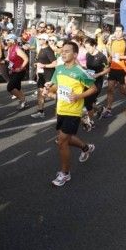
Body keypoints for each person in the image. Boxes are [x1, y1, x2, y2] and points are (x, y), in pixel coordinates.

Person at [42, 41, 97, 187]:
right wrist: (48, 89)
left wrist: (79, 96)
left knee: (62, 141)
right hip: (60, 108)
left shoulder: (80, 71)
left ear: (75, 54)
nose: (63, 53)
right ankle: (86, 147)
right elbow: (55, 87)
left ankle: (65, 173)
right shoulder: (59, 69)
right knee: (67, 138)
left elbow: (93, 88)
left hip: (73, 111)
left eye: (67, 51)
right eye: (62, 51)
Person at [102, 24, 126, 118]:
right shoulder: (112, 41)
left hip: (122, 70)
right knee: (110, 89)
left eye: (119, 31)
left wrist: (121, 57)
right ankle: (108, 109)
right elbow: (110, 54)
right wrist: (108, 61)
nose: (117, 33)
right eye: (116, 31)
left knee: (123, 90)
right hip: (113, 69)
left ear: (123, 32)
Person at [82, 37, 109, 130]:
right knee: (87, 101)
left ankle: (91, 122)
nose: (87, 49)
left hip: (97, 82)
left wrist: (98, 74)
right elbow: (88, 67)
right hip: (88, 81)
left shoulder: (102, 56)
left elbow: (107, 69)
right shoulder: (87, 55)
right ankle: (100, 109)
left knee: (88, 102)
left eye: (89, 47)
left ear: (94, 46)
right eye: (85, 47)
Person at [31, 33, 57, 118]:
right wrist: (38, 65)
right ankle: (40, 111)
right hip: (42, 74)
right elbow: (42, 62)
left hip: (48, 74)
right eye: (38, 39)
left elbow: (55, 63)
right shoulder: (42, 48)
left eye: (40, 39)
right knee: (40, 92)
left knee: (48, 94)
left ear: (45, 40)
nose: (38, 40)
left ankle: (64, 100)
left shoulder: (48, 50)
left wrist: (44, 66)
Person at [5, 33, 29, 109]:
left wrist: (21, 68)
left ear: (12, 40)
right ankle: (23, 101)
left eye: (8, 40)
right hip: (13, 71)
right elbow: (8, 59)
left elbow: (26, 59)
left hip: (20, 71)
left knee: (10, 87)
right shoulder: (10, 48)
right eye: (6, 40)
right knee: (17, 87)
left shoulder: (17, 49)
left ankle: (22, 100)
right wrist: (3, 62)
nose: (6, 41)